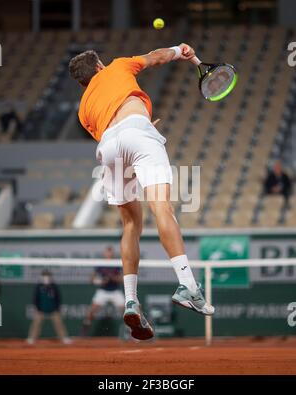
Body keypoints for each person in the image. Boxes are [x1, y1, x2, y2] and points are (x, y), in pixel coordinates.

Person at [69, 44, 214, 341]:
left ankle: (131, 299)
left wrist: (137, 136)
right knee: (162, 208)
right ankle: (188, 285)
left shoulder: (84, 110)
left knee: (131, 224)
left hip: (108, 146)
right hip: (139, 132)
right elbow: (155, 58)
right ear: (99, 67)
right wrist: (178, 50)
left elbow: (116, 134)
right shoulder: (118, 64)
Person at [82, 246, 124, 335]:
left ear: (112, 253)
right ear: (104, 253)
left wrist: (112, 277)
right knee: (91, 312)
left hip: (115, 291)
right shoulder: (100, 264)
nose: (109, 254)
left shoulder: (117, 263)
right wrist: (101, 281)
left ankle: (131, 331)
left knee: (126, 311)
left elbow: (121, 279)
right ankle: (84, 330)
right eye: (107, 252)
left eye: (110, 252)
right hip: (103, 291)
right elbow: (92, 279)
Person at [27, 270, 71, 345]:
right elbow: (35, 298)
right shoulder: (38, 287)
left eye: (48, 277)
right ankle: (31, 338)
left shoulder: (54, 286)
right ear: (41, 277)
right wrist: (37, 308)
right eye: (44, 276)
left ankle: (64, 338)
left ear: (51, 277)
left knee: (59, 323)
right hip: (41, 309)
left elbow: (58, 298)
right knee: (36, 324)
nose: (46, 278)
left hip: (53, 310)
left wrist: (57, 308)